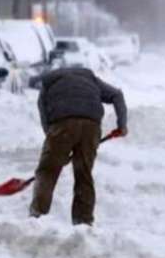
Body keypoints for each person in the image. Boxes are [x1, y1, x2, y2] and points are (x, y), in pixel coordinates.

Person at [29, 67, 128, 226]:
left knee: (47, 172)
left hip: (62, 125)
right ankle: (83, 222)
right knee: (83, 174)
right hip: (91, 126)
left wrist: (57, 149)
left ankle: (37, 216)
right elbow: (117, 95)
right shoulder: (90, 79)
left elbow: (45, 119)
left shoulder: (48, 84)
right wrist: (122, 125)